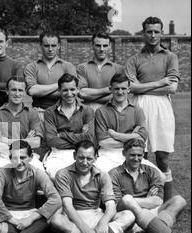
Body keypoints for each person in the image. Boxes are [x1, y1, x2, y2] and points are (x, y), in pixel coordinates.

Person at [125, 16, 180, 202]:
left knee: (163, 157)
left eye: (157, 31)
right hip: (139, 107)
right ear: (143, 34)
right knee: (140, 155)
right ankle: (144, 200)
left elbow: (172, 88)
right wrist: (159, 82)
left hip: (162, 107)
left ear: (162, 33)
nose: (153, 35)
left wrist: (144, 85)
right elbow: (131, 88)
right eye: (149, 31)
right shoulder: (134, 59)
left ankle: (167, 201)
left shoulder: (171, 57)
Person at [50, 140, 135, 233]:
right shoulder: (63, 174)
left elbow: (111, 207)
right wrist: (85, 230)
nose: (85, 162)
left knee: (129, 215)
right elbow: (67, 206)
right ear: (74, 156)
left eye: (89, 158)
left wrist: (103, 223)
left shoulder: (102, 175)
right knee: (56, 220)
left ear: (95, 158)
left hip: (95, 214)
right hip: (74, 217)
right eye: (81, 157)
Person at [109, 138, 190, 233]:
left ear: (143, 154)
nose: (136, 159)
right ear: (124, 154)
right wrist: (145, 200)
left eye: (139, 155)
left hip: (149, 214)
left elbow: (158, 201)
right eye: (132, 155)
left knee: (179, 200)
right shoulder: (114, 174)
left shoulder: (151, 171)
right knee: (127, 200)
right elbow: (118, 203)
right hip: (128, 215)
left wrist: (134, 200)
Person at [0, 140, 61, 233]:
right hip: (8, 215)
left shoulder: (37, 173)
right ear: (10, 158)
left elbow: (56, 199)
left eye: (22, 157)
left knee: (54, 214)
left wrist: (30, 219)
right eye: (14, 158)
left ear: (31, 157)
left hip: (30, 214)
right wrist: (13, 221)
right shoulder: (1, 173)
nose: (18, 162)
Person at [94, 73, 162, 175]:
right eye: (116, 89)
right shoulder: (101, 111)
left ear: (129, 90)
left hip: (132, 154)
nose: (120, 92)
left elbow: (142, 139)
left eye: (123, 88)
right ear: (110, 89)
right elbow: (103, 142)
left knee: (160, 176)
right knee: (98, 175)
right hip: (107, 154)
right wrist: (132, 138)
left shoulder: (138, 110)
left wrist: (116, 135)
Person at [0, 76, 45, 178]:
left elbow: (36, 143)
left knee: (39, 172)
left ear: (24, 92)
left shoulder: (32, 113)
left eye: (20, 90)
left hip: (26, 155)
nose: (17, 94)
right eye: (14, 90)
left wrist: (6, 141)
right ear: (7, 91)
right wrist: (25, 141)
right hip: (2, 157)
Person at [44, 73, 95, 179]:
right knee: (55, 173)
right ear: (59, 91)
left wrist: (62, 135)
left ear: (78, 89)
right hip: (58, 152)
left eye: (72, 89)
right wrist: (80, 136)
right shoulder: (50, 112)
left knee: (87, 175)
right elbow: (51, 140)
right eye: (65, 90)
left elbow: (89, 138)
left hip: (82, 153)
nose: (69, 93)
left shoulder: (87, 111)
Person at [24, 32, 76, 122]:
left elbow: (71, 93)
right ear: (40, 46)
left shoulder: (68, 66)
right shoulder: (31, 67)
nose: (50, 49)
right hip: (38, 113)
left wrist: (41, 91)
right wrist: (60, 85)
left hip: (62, 112)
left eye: (53, 45)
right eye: (46, 46)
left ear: (59, 46)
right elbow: (32, 91)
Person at [77, 32, 124, 111]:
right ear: (92, 46)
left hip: (112, 111)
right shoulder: (82, 68)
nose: (102, 49)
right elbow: (82, 93)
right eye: (98, 45)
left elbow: (118, 94)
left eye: (105, 46)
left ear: (109, 47)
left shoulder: (118, 69)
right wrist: (107, 90)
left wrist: (91, 96)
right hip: (88, 112)